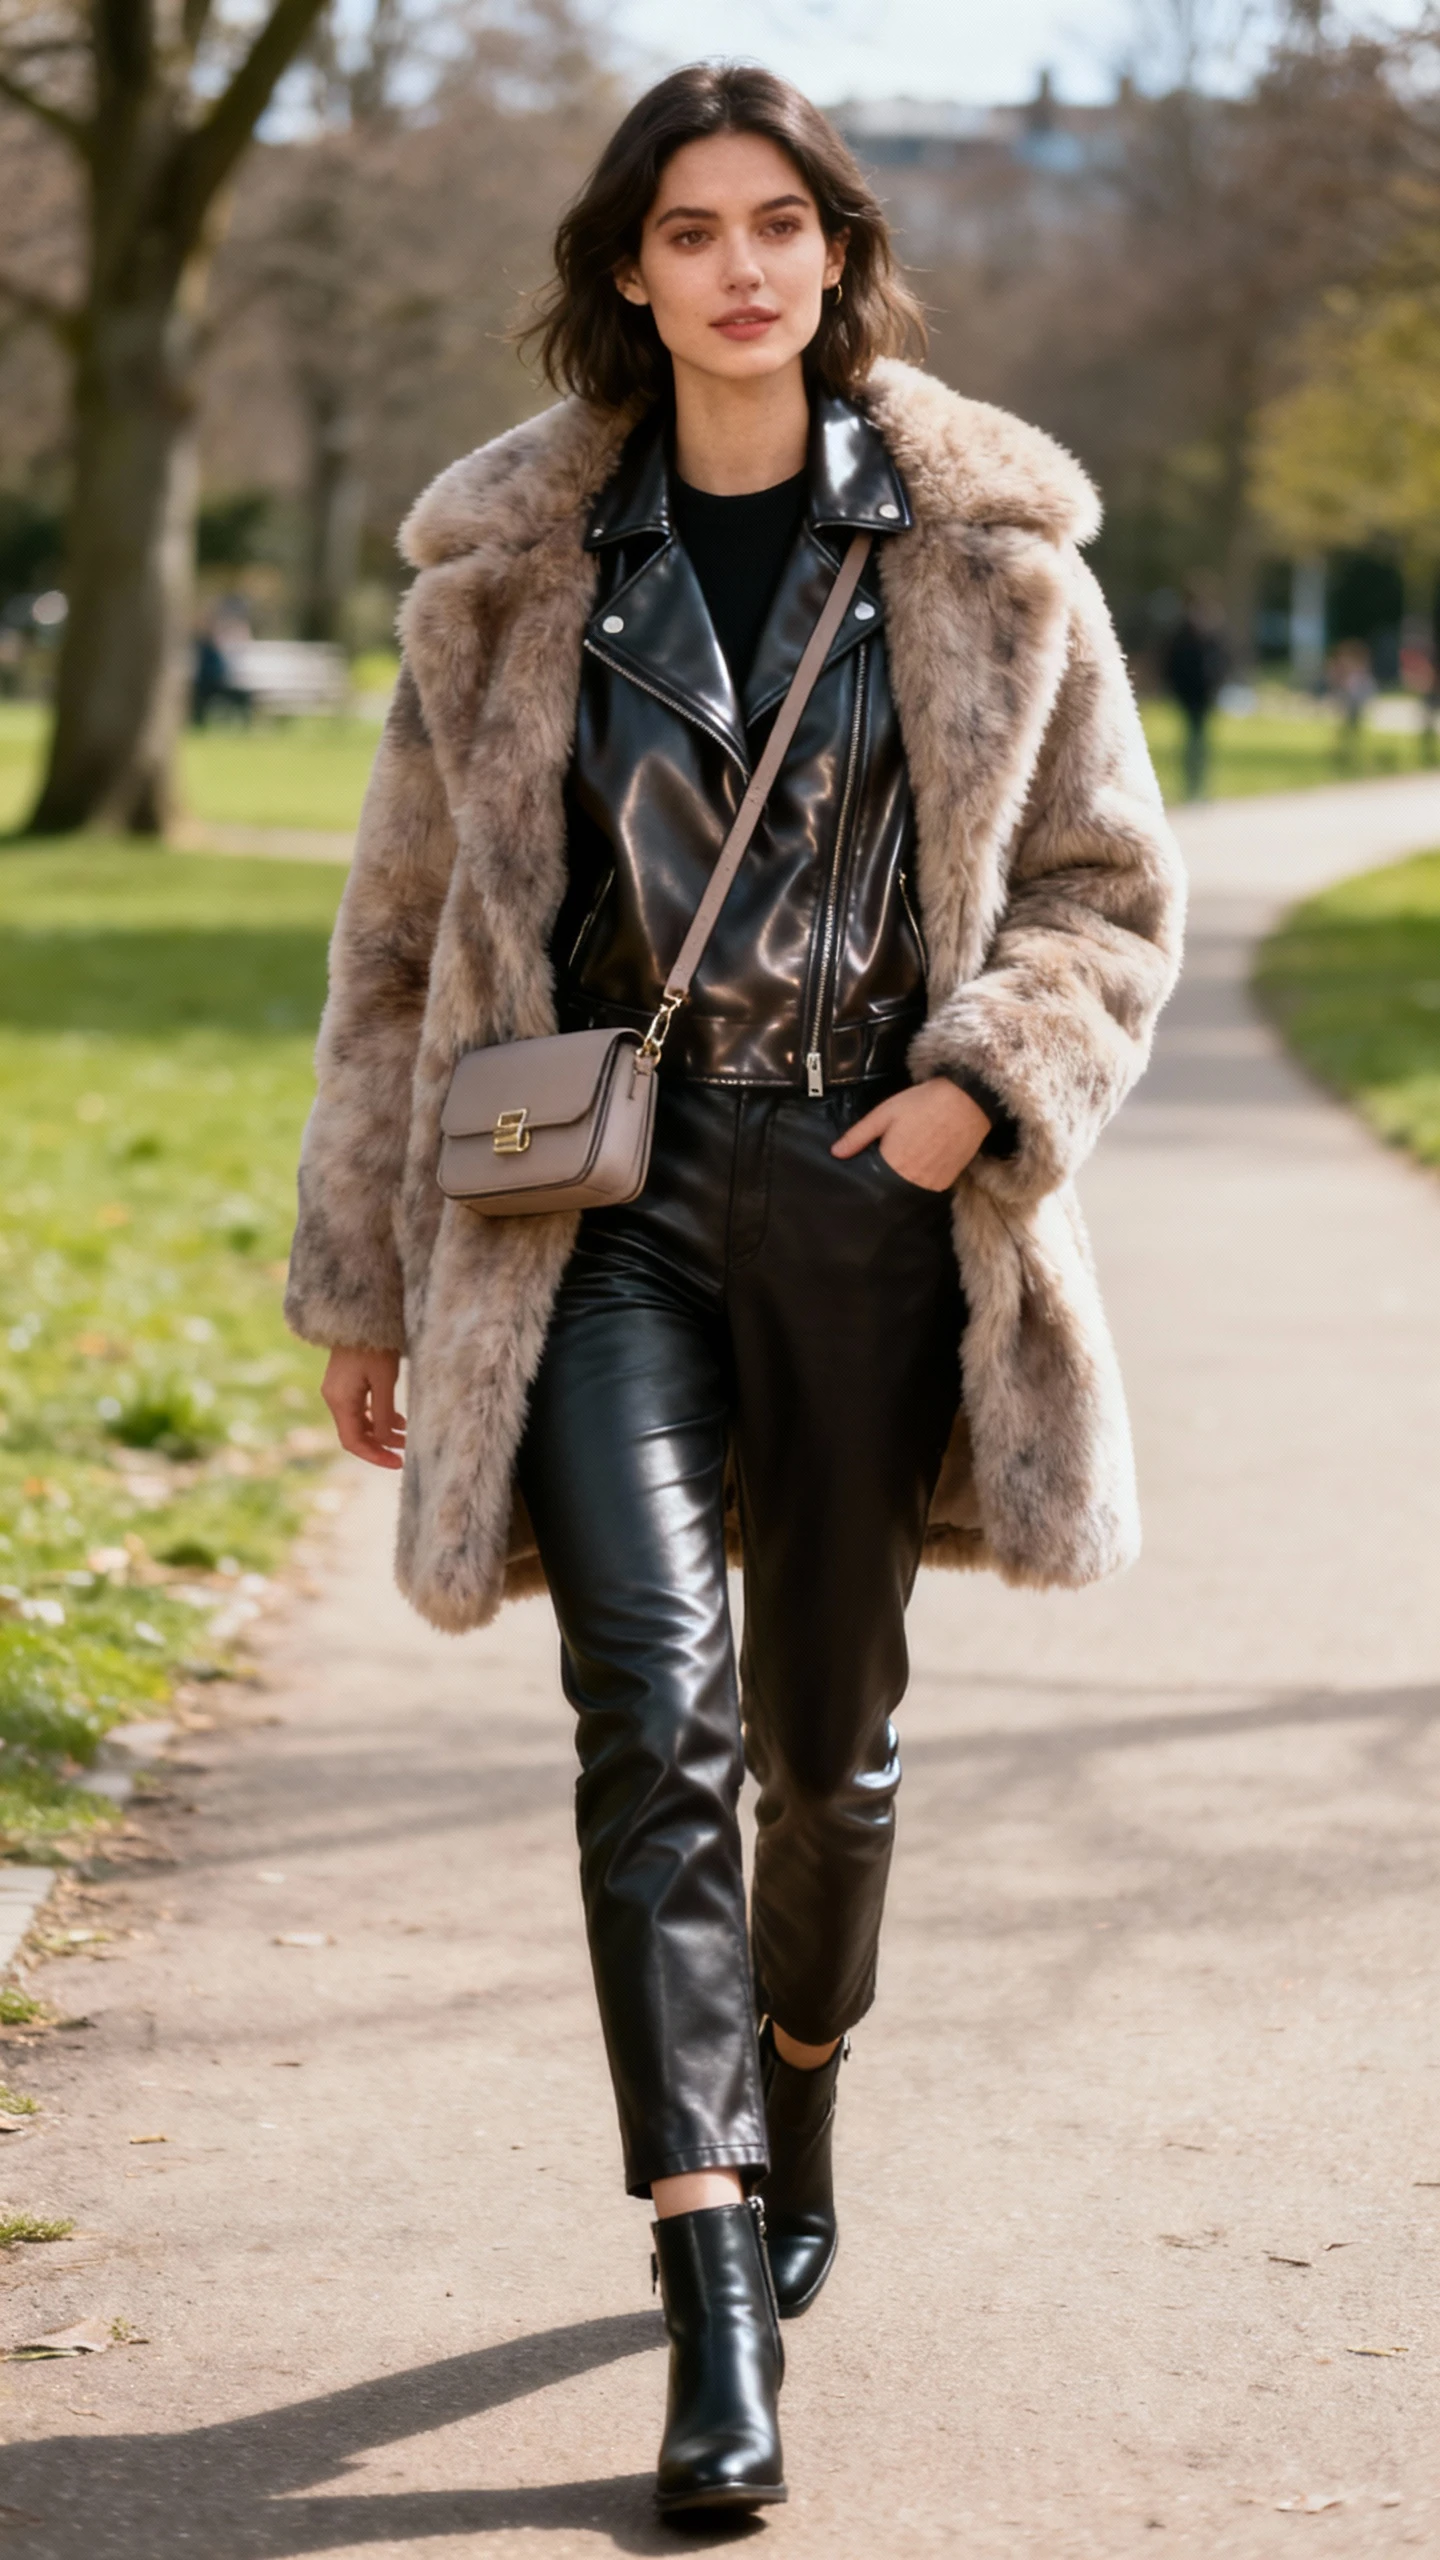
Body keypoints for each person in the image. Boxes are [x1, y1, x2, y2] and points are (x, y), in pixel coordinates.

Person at [285, 63, 1185, 2518]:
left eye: (776, 222)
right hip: (600, 1208)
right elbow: (394, 956)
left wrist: (967, 1092)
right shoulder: (499, 578)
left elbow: (1100, 891)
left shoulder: (994, 553)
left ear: (834, 251)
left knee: (816, 1741)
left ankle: (793, 2096)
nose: (737, 267)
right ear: (623, 270)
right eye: (687, 229)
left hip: (867, 1201)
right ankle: (705, 2293)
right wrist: (365, 1270)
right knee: (648, 1719)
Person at [1162, 589, 1229, 799]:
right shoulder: (1183, 636)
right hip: (1189, 695)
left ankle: (1199, 785)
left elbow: (1221, 663)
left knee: (1200, 739)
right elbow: (1172, 665)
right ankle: (1192, 785)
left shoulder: (1210, 636)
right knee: (1193, 739)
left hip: (1205, 694)